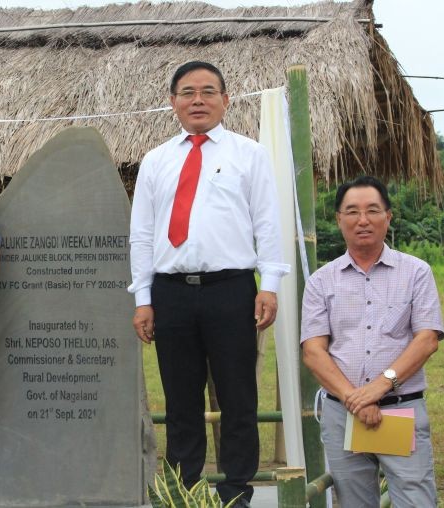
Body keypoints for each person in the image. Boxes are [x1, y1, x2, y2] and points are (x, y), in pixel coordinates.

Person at [128, 60, 288, 506]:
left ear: (226, 99)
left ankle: (237, 490)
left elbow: (267, 223)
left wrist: (269, 283)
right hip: (170, 292)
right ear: (173, 102)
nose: (197, 99)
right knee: (181, 400)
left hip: (231, 289)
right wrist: (143, 298)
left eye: (208, 91)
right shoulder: (156, 161)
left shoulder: (249, 154)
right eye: (187, 92)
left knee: (238, 395)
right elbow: (142, 233)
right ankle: (184, 489)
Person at [301, 175, 443, 507]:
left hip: (400, 410)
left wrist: (378, 389)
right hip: (343, 413)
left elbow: (426, 340)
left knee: (415, 499)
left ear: (388, 217)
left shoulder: (416, 272)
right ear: (339, 219)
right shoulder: (321, 281)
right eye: (352, 211)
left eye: (372, 210)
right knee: (354, 501)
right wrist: (356, 399)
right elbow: (313, 351)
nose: (362, 220)